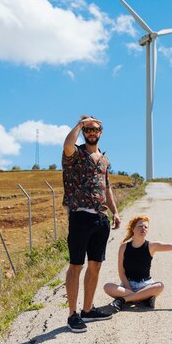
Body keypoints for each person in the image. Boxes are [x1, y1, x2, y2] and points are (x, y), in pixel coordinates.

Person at [62, 115, 121, 333]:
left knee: (95, 265)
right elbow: (68, 144)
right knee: (76, 266)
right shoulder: (75, 155)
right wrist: (79, 123)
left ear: (101, 132)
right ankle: (72, 315)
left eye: (95, 129)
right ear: (84, 132)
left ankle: (87, 311)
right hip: (80, 217)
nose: (91, 132)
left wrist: (115, 212)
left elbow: (107, 188)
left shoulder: (104, 160)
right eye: (87, 130)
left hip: (100, 218)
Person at [103, 215, 172, 311]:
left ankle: (122, 300)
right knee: (107, 287)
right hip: (127, 286)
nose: (143, 229)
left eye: (145, 227)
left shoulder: (152, 246)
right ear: (133, 228)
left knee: (159, 286)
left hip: (146, 285)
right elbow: (121, 272)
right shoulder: (123, 247)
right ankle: (142, 297)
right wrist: (129, 288)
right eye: (140, 226)